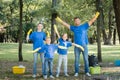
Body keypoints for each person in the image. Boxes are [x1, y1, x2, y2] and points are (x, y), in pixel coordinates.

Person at [55, 12, 100, 77]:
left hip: (84, 46)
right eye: (75, 21)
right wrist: (59, 20)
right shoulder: (73, 28)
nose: (77, 21)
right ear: (74, 22)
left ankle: (87, 72)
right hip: (76, 46)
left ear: (80, 21)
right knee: (76, 60)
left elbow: (92, 21)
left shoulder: (84, 26)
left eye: (78, 20)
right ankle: (76, 72)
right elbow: (65, 24)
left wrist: (96, 15)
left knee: (86, 59)